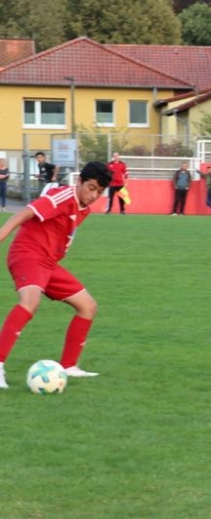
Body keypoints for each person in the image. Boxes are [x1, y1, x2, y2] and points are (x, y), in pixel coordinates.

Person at [0, 161, 113, 389]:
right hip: (28, 255)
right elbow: (25, 212)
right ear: (79, 181)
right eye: (91, 188)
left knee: (88, 306)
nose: (94, 195)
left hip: (48, 264)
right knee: (30, 302)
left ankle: (69, 366)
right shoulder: (63, 197)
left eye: (99, 192)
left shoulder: (84, 209)